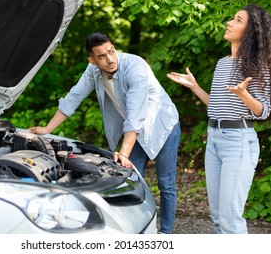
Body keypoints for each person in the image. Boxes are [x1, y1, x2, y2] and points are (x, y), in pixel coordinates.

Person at [29, 31, 181, 234]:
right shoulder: (93, 71)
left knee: (166, 183)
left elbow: (135, 117)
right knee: (130, 180)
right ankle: (134, 230)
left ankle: (166, 233)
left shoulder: (135, 67)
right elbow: (75, 96)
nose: (110, 59)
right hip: (135, 131)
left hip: (162, 126)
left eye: (111, 51)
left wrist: (124, 153)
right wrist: (47, 129)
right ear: (92, 60)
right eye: (102, 56)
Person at [167, 4, 271, 234]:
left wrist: (244, 94)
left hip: (238, 142)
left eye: (238, 20)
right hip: (214, 140)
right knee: (218, 217)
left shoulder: (257, 65)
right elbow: (218, 105)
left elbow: (263, 111)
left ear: (250, 31)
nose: (229, 23)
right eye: (233, 18)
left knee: (231, 218)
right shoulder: (222, 63)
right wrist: (194, 88)